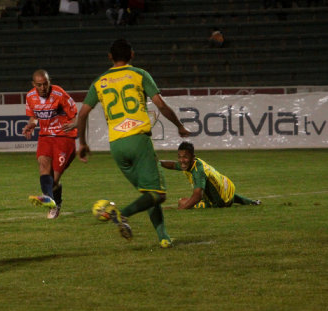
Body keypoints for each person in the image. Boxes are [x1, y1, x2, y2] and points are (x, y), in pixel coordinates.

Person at [68, 39, 190, 247]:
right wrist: (179, 125)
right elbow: (160, 104)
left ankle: (163, 238)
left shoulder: (100, 81)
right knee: (158, 194)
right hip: (138, 140)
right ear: (132, 54)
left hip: (116, 146)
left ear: (110, 57)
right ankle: (121, 214)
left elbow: (83, 114)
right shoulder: (139, 74)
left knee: (148, 193)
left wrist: (82, 143)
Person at [22, 69, 78, 219]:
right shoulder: (30, 97)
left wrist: (74, 124)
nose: (42, 88)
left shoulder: (59, 94)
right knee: (43, 164)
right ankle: (49, 199)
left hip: (64, 137)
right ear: (33, 84)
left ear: (49, 82)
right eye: (39, 85)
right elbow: (33, 118)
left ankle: (54, 200)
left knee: (54, 180)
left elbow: (76, 116)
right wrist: (31, 124)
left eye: (45, 84)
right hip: (45, 136)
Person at [160, 141, 261, 209]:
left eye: (185, 157)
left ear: (193, 157)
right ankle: (250, 202)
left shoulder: (198, 171)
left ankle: (212, 203)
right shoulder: (193, 163)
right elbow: (173, 164)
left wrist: (181, 209)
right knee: (213, 191)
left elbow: (197, 196)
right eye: (179, 157)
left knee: (182, 202)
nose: (182, 160)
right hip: (228, 191)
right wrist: (158, 162)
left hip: (220, 203)